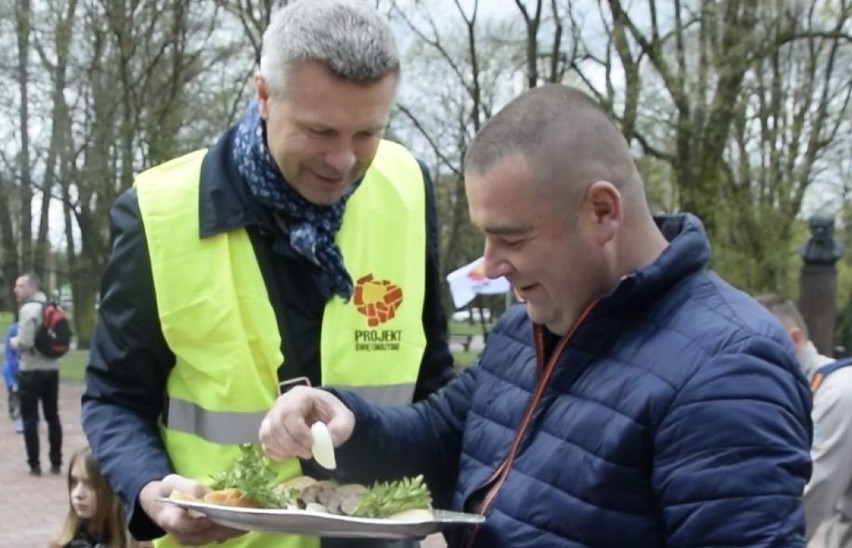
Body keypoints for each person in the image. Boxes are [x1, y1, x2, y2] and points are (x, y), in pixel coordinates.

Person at [258, 84, 814, 547]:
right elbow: (438, 437)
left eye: (513, 238)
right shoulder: (526, 329)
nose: (491, 265)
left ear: (602, 211)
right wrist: (347, 420)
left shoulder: (729, 367)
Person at [81, 1, 455, 547]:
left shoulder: (409, 188)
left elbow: (434, 384)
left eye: (367, 133)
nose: (343, 161)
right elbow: (113, 396)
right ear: (264, 95)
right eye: (320, 130)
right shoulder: (155, 213)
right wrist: (149, 487)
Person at [756, 293, 852, 547]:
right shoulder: (810, 394)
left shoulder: (840, 391)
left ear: (794, 340)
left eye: (761, 348)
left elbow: (812, 493)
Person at [11, 272, 63, 476]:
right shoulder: (54, 306)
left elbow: (24, 342)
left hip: (31, 370)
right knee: (53, 416)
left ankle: (34, 463)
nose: (16, 290)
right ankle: (56, 460)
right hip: (52, 369)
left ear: (32, 287)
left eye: (20, 286)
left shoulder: (28, 310)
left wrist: (12, 342)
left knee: (30, 417)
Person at [50, 445, 152, 548]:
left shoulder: (139, 544)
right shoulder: (62, 542)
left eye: (90, 484)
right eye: (74, 482)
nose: (78, 494)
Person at [3, 320, 23, 433]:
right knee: (14, 393)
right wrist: (16, 366)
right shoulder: (13, 330)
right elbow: (8, 352)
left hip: (27, 368)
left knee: (27, 394)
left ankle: (29, 417)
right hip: (13, 369)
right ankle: (17, 417)